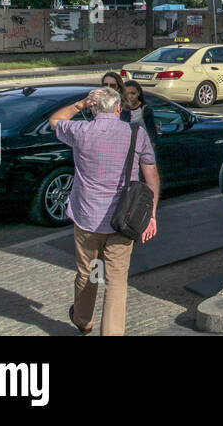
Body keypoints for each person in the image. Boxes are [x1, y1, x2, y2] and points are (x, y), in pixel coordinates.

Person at [49, 86, 159, 336]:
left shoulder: (79, 131)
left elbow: (55, 121)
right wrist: (151, 214)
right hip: (124, 219)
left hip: (87, 218)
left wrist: (79, 105)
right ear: (118, 108)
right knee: (116, 281)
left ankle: (83, 320)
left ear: (93, 108)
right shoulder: (136, 133)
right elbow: (150, 174)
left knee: (87, 273)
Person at [119, 79, 158, 144]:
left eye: (133, 93)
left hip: (141, 145)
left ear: (138, 93)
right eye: (127, 94)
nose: (130, 96)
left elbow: (152, 132)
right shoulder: (121, 109)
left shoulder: (145, 109)